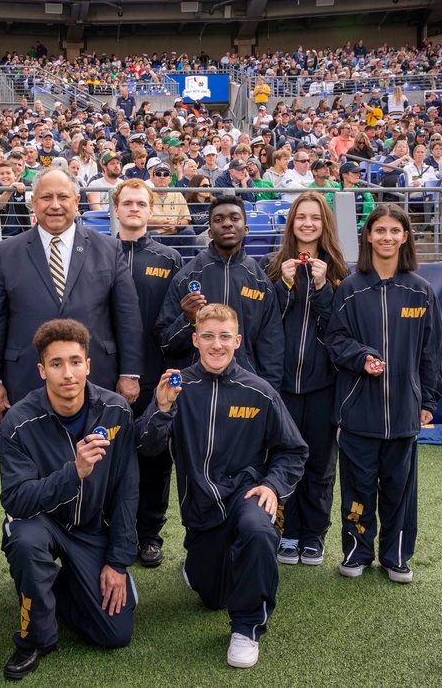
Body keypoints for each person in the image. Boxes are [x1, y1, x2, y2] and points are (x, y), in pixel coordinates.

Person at [136, 303, 307, 669]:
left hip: (246, 495)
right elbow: (145, 447)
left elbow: (293, 451)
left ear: (237, 341)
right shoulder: (178, 387)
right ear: (196, 339)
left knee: (259, 529)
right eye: (209, 336)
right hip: (201, 509)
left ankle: (247, 628)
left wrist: (273, 486)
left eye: (225, 337)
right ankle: (202, 567)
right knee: (213, 597)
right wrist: (161, 409)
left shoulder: (260, 392)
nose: (217, 345)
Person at [0, 319, 139, 679]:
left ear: (88, 365)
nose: (68, 373)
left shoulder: (117, 411)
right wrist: (73, 472)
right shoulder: (17, 420)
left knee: (115, 635)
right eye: (56, 364)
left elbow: (126, 489)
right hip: (42, 522)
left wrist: (119, 561)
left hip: (92, 529)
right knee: (26, 539)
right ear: (42, 369)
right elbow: (15, 500)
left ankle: (52, 585)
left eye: (76, 362)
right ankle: (35, 639)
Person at [325, 205, 442, 584]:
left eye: (395, 230)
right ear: (368, 236)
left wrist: (428, 401)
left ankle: (396, 557)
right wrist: (361, 357)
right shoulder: (349, 288)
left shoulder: (420, 290)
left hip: (404, 415)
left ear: (405, 236)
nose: (387, 237)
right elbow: (334, 339)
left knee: (400, 491)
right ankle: (356, 553)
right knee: (358, 489)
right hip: (358, 412)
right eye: (380, 230)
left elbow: (434, 351)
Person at [0, 168, 144, 424]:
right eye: (46, 198)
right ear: (33, 202)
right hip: (26, 377)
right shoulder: (5, 253)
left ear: (76, 202)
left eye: (63, 197)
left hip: (97, 375)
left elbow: (128, 317)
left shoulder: (109, 249)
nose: (55, 205)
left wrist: (130, 373)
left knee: (98, 457)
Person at [260, 192, 348, 565]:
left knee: (320, 464)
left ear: (324, 224)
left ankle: (314, 534)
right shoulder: (270, 266)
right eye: (301, 217)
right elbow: (262, 325)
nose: (308, 224)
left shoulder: (340, 271)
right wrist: (282, 287)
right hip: (281, 386)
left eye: (315, 217)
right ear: (291, 223)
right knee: (281, 461)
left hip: (323, 384)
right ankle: (286, 531)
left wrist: (325, 288)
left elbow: (340, 330)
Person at [110, 179, 183, 568]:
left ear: (151, 209)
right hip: (108, 380)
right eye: (128, 203)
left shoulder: (170, 258)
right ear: (116, 208)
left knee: (155, 461)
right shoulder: (99, 254)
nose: (135, 209)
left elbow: (176, 323)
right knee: (110, 458)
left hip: (156, 378)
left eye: (141, 203)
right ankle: (110, 531)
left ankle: (149, 535)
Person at [156, 195, 284, 388]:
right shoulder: (187, 276)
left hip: (243, 389)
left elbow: (271, 348)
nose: (226, 224)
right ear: (209, 231)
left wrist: (268, 392)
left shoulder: (260, 282)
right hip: (194, 391)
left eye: (234, 218)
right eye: (218, 220)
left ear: (246, 228)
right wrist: (188, 320)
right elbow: (165, 343)